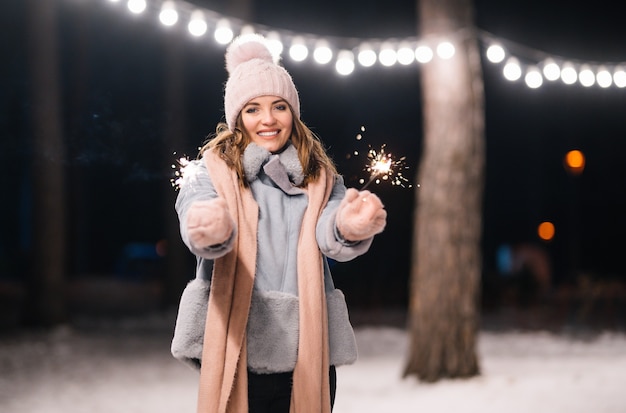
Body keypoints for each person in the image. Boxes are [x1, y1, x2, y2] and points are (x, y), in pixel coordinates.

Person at [171, 33, 387, 413]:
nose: (267, 119)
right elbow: (196, 210)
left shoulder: (321, 177)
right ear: (237, 118)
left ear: (294, 113)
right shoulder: (212, 173)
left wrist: (350, 224)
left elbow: (330, 230)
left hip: (309, 344)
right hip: (237, 343)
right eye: (253, 109)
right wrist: (208, 224)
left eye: (279, 106)